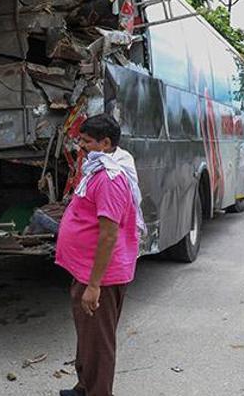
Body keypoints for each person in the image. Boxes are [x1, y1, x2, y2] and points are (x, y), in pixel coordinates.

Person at [56, 114, 141, 396]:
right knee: (89, 336)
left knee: (99, 342)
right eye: (81, 139)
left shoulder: (110, 178)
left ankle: (98, 392)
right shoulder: (97, 168)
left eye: (87, 141)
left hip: (101, 277)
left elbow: (108, 234)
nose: (81, 146)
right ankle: (85, 387)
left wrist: (94, 285)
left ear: (105, 143)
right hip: (86, 270)